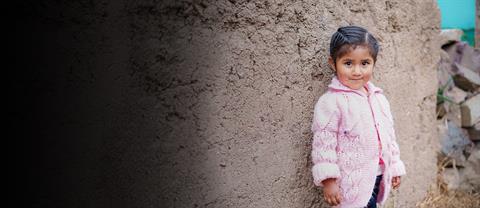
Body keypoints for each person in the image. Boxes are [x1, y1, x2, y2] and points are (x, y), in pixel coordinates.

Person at [311, 26, 406, 208]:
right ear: (333, 63)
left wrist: (394, 166)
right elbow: (324, 144)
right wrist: (329, 180)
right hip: (350, 184)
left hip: (378, 176)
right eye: (348, 63)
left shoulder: (379, 98)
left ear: (373, 63)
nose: (357, 71)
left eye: (365, 63)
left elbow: (388, 137)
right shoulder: (331, 102)